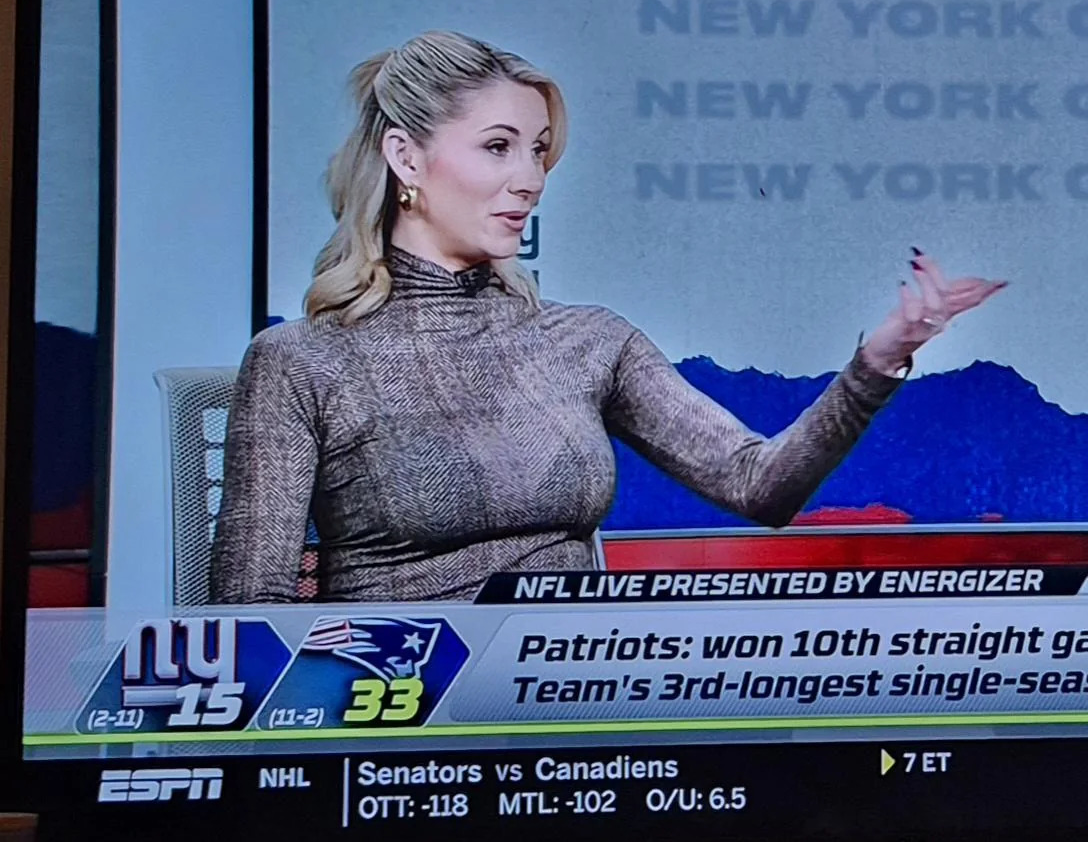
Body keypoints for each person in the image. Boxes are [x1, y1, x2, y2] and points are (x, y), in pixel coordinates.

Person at [210, 30, 1004, 603]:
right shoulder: (302, 362)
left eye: (539, 151)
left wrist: (878, 362)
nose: (530, 179)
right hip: (404, 729)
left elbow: (758, 484)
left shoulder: (586, 341)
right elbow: (247, 622)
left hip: (568, 712)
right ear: (406, 157)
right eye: (498, 147)